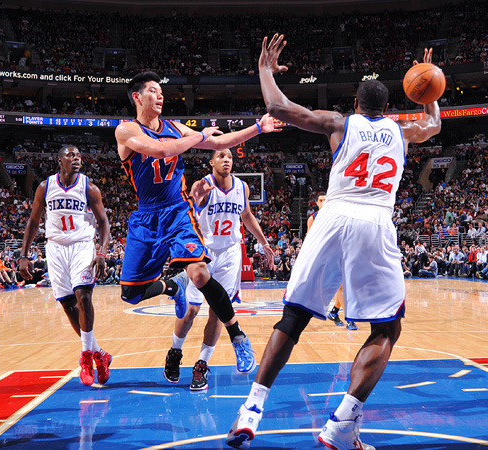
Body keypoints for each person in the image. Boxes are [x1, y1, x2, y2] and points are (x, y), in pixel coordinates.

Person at [225, 35, 441, 450]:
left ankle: (251, 409)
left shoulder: (341, 123)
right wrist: (430, 89)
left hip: (333, 216)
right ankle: (342, 424)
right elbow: (434, 124)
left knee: (293, 317)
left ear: (357, 105)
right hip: (375, 221)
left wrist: (265, 70)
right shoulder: (404, 130)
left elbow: (279, 108)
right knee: (386, 328)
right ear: (386, 108)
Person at [115, 71, 279, 374]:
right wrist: (199, 135)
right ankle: (173, 286)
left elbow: (221, 142)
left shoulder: (175, 127)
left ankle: (238, 337)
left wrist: (258, 127)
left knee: (201, 274)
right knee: (130, 294)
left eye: (161, 91)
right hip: (146, 216)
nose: (160, 95)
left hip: (177, 210)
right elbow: (162, 150)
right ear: (137, 97)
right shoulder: (126, 130)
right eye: (153, 90)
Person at [163, 147, 275, 391]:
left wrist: (264, 243)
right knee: (191, 310)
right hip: (203, 253)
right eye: (221, 156)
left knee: (218, 312)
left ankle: (201, 365)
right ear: (211, 162)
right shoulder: (202, 185)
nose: (226, 160)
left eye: (230, 157)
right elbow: (187, 209)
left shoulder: (242, 187)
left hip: (230, 254)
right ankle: (175, 351)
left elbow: (247, 215)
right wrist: (196, 198)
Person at [18, 145, 112, 386]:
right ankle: (99, 353)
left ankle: (86, 357)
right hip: (55, 248)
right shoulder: (45, 187)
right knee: (69, 306)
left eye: (79, 156)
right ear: (60, 160)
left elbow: (103, 222)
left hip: (81, 245)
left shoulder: (89, 188)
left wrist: (102, 252)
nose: (76, 159)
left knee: (84, 296)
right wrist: (23, 254)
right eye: (71, 155)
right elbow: (33, 222)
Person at [310, 192, 357, 330]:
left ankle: (334, 312)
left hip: (339, 253)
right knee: (341, 287)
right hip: (324, 256)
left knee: (343, 286)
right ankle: (349, 318)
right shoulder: (313, 218)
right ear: (317, 203)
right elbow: (310, 240)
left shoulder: (336, 216)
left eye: (325, 200)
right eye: (320, 200)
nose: (323, 202)